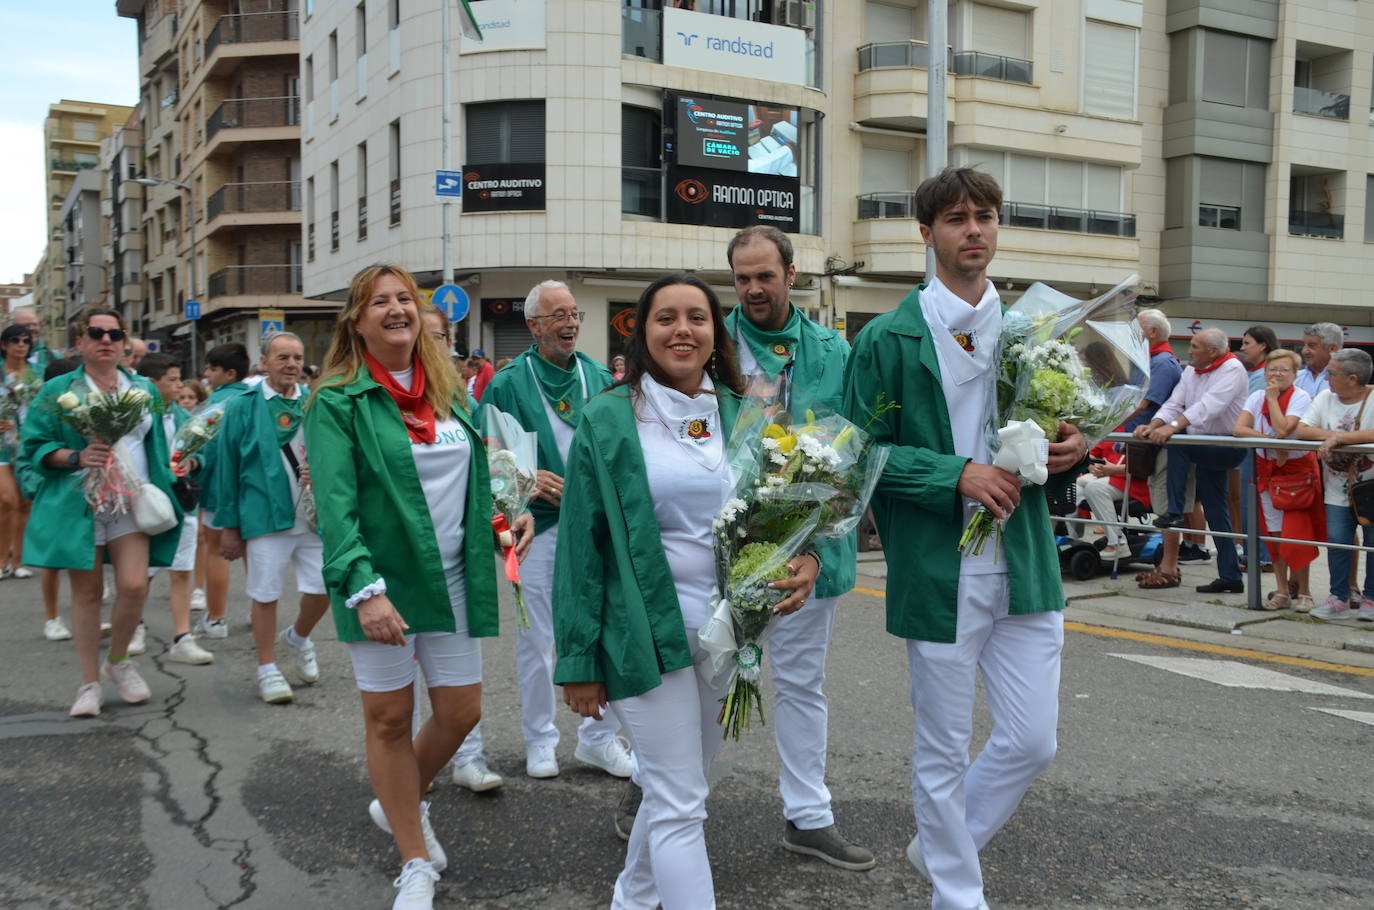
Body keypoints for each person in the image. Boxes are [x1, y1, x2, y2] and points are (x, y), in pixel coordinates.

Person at [841, 168, 1087, 910]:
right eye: (955, 219)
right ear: (927, 234)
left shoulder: (1031, 336)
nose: (972, 229)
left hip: (1024, 564)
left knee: (1032, 740)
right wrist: (955, 474)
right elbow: (857, 454)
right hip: (940, 568)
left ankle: (938, 845)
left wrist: (1072, 448)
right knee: (943, 748)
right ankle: (958, 895)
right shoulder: (887, 338)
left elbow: (1059, 432)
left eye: (984, 216)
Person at [557, 273, 816, 910]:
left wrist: (806, 553)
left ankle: (632, 900)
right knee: (678, 803)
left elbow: (774, 512)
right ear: (642, 333)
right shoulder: (609, 417)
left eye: (697, 317)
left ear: (714, 333)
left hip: (724, 631)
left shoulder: (741, 411)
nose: (682, 330)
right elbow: (580, 549)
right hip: (642, 633)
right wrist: (577, 659)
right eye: (665, 318)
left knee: (683, 788)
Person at [307, 265, 531, 910]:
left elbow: (475, 478)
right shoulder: (338, 400)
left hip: (454, 577)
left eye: (405, 298)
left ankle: (398, 799)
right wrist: (364, 588)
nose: (397, 310)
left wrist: (500, 522)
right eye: (380, 302)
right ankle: (414, 860)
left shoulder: (449, 391)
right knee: (389, 719)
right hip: (382, 584)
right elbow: (336, 506)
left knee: (461, 712)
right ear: (357, 321)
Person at [721, 225, 874, 869]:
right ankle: (651, 789)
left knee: (802, 686)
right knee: (693, 676)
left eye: (765, 275)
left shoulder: (833, 352)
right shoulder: (708, 341)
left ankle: (808, 817)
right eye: (742, 278)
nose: (754, 288)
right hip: (719, 544)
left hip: (809, 554)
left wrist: (814, 545)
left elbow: (854, 454)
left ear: (791, 273)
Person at [453, 280, 631, 791]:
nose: (571, 322)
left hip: (596, 527)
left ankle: (599, 739)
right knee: (539, 640)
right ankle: (539, 740)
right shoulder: (508, 383)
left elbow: (621, 447)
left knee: (611, 630)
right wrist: (527, 482)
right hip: (537, 527)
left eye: (575, 314)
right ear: (533, 326)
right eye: (558, 315)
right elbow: (483, 453)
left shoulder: (598, 375)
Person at [18, 307, 183, 718]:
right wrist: (76, 456)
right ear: (80, 343)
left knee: (133, 587)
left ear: (124, 341)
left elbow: (158, 445)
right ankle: (90, 681)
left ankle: (119, 660)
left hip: (130, 501)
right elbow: (34, 447)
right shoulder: (58, 390)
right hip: (81, 503)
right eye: (96, 333)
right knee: (88, 593)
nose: (106, 339)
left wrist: (181, 470)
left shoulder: (143, 387)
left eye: (115, 333)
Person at [212, 333, 330, 703]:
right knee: (265, 594)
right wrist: (229, 528)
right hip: (264, 516)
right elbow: (226, 467)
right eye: (282, 357)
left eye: (296, 357)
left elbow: (336, 455)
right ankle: (266, 668)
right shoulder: (243, 405)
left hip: (312, 516)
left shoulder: (315, 402)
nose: (291, 364)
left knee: (325, 586)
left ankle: (297, 637)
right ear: (264, 362)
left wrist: (321, 471)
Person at [1137, 328, 1249, 593]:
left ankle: (1174, 512)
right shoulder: (1192, 370)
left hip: (1225, 446)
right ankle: (1231, 575)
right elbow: (1176, 403)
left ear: (1212, 351)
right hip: (1203, 443)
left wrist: (1171, 428)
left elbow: (1209, 406)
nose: (1190, 350)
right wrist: (1154, 424)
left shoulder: (1233, 369)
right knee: (1215, 511)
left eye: (1195, 346)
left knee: (1179, 442)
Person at [137, 353, 214, 664]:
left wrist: (193, 462)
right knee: (141, 573)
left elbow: (202, 453)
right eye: (172, 380)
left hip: (182, 505)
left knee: (182, 569)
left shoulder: (182, 417)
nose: (179, 386)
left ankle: (182, 637)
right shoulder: (139, 417)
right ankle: (133, 626)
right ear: (151, 384)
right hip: (150, 506)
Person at [1233, 349, 1320, 611]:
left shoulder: (1301, 397)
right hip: (1268, 471)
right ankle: (1282, 590)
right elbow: (1239, 429)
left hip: (1296, 474)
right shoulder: (1256, 395)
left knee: (1298, 534)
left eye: (1283, 370)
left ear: (1294, 375)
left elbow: (1284, 427)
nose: (1277, 374)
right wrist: (1270, 441)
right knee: (1274, 533)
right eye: (1272, 370)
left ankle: (1304, 591)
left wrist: (1272, 400)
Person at [1296, 348, 1374, 621]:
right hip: (1335, 486)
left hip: (1370, 486)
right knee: (1338, 542)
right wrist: (1338, 436)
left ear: (1352, 378)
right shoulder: (1326, 397)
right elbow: (1303, 429)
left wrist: (1339, 439)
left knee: (1372, 543)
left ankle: (1371, 599)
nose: (1327, 377)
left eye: (1331, 373)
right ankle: (1338, 597)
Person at [189, 343, 252, 638]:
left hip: (219, 488)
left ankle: (216, 619)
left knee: (215, 551)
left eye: (212, 368)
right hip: (256, 488)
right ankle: (260, 610)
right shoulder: (258, 400)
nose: (206, 374)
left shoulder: (213, 405)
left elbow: (206, 450)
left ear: (229, 373)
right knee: (257, 552)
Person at [1236, 325, 1280, 571]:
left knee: (1254, 502)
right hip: (1250, 445)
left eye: (1247, 343)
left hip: (1258, 447)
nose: (1243, 348)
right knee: (1246, 501)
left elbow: (1248, 415)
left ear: (1263, 345)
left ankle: (1262, 556)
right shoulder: (1253, 373)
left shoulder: (1264, 375)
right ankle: (1255, 553)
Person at [1, 324, 38, 582]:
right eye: (15, 340)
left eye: (26, 340)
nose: (21, 344)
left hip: (26, 443)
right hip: (1, 443)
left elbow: (45, 407)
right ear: (4, 344)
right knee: (7, 500)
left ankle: (19, 561)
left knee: (25, 502)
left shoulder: (36, 375)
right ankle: (2, 560)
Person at [1074, 438, 1151, 559]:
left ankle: (1117, 544)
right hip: (1107, 477)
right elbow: (1093, 453)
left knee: (1094, 488)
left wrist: (1114, 469)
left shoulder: (1137, 425)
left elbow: (1146, 466)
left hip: (1134, 481)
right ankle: (1074, 540)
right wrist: (1092, 466)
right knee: (1073, 490)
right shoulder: (1114, 426)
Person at [1297, 322, 1341, 398]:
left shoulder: (1346, 381)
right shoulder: (1294, 377)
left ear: (1332, 349)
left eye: (1312, 346)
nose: (1304, 351)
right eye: (1304, 345)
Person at [9, 306, 56, 374]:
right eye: (26, 325)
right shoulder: (4, 357)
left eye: (35, 324)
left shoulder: (53, 356)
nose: (32, 328)